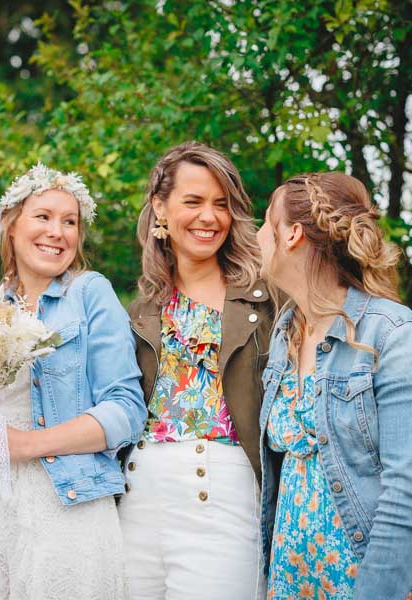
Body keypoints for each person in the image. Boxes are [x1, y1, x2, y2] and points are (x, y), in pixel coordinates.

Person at [256, 172, 412, 599]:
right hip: (294, 584)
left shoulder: (392, 334)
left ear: (291, 234)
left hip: (377, 585)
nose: (257, 235)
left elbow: (407, 499)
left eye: (265, 221)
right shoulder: (285, 333)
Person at [0, 163, 147, 600]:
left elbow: (126, 410)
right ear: (11, 224)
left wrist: (25, 445)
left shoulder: (89, 293)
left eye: (70, 221)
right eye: (43, 216)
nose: (57, 232)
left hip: (68, 500)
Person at [121, 141, 271, 600]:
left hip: (223, 493)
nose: (209, 217)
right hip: (137, 497)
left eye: (221, 205)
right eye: (194, 201)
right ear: (160, 208)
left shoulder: (265, 300)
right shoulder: (140, 309)